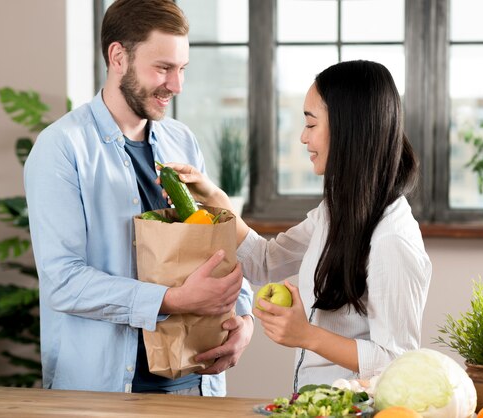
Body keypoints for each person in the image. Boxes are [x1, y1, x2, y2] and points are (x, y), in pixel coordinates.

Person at [23, 0, 253, 396]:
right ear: (118, 56)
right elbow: (63, 280)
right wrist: (173, 299)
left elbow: (217, 244)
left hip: (196, 382)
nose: (176, 85)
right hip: (106, 389)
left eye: (181, 69)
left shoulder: (182, 140)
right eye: (163, 68)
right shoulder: (62, 147)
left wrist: (244, 321)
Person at [163, 60, 432, 390]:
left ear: (348, 129)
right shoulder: (338, 210)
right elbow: (266, 262)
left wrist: (308, 336)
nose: (303, 138)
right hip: (315, 404)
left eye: (311, 124)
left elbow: (396, 360)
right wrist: (217, 199)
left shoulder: (393, 239)